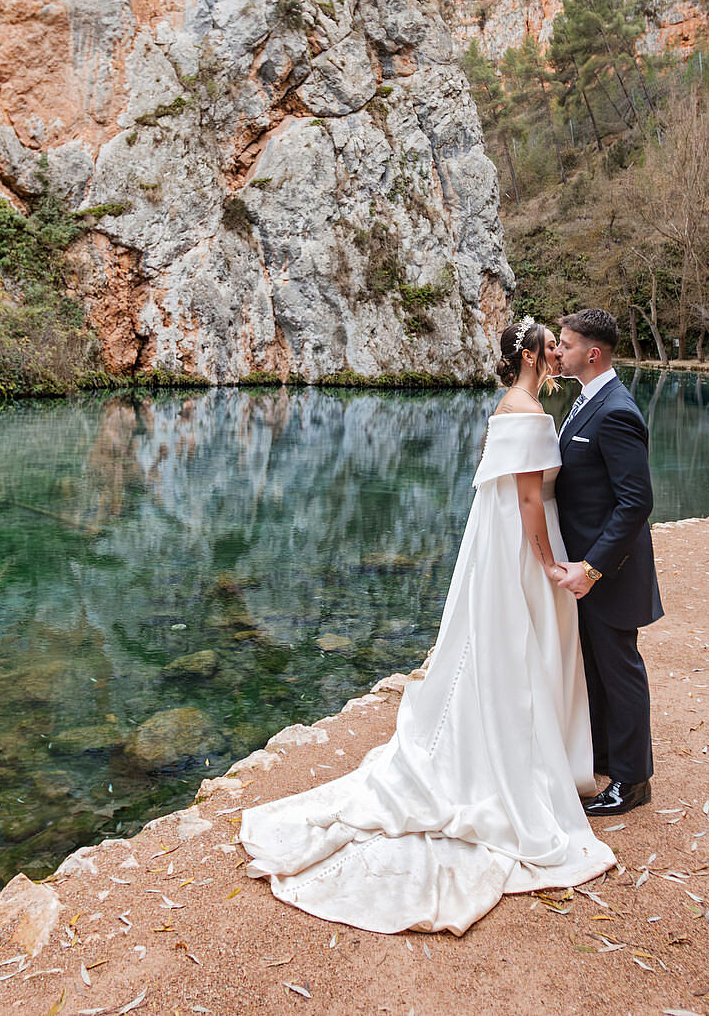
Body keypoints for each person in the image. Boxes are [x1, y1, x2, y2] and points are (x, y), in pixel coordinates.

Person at [237, 317, 616, 935]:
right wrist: (546, 561)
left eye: (559, 346)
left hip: (500, 542)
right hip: (521, 546)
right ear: (528, 353)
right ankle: (510, 762)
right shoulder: (526, 412)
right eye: (550, 346)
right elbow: (527, 499)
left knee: (502, 651)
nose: (556, 353)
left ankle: (518, 743)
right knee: (519, 651)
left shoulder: (511, 404)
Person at [547, 308, 662, 817]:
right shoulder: (584, 401)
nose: (557, 352)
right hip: (585, 568)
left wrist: (591, 568)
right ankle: (605, 761)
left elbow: (635, 501)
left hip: (609, 573)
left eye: (565, 345)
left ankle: (633, 782)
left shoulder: (616, 410)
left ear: (592, 353)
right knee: (595, 670)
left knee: (620, 672)